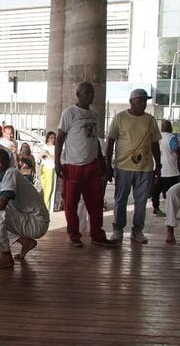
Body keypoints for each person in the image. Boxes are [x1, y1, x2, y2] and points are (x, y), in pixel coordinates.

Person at [55, 82, 114, 248]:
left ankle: (97, 234)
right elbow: (60, 138)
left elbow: (94, 140)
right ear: (78, 94)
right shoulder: (70, 113)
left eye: (92, 92)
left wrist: (102, 164)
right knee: (71, 203)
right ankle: (74, 235)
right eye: (87, 92)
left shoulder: (94, 114)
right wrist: (57, 163)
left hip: (92, 165)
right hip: (73, 165)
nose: (90, 95)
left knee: (95, 202)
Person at [0, 149, 49, 269]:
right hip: (24, 219)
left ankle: (6, 257)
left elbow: (0, 205)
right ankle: (25, 242)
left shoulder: (11, 173)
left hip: (37, 222)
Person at [106, 88, 162, 244]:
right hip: (123, 167)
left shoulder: (150, 120)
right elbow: (110, 142)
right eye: (140, 100)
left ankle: (137, 231)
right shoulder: (119, 118)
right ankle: (118, 229)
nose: (143, 103)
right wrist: (108, 165)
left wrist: (158, 165)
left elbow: (155, 143)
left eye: (145, 100)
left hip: (145, 168)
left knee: (141, 202)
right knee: (120, 200)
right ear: (131, 101)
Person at [151, 120, 180, 217]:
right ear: (170, 127)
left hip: (157, 170)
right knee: (170, 194)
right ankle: (170, 213)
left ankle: (156, 208)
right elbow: (176, 150)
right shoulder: (172, 138)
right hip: (170, 171)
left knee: (155, 191)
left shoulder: (155, 137)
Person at [40, 131, 57, 210]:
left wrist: (48, 154)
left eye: (54, 138)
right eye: (51, 137)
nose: (52, 139)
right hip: (44, 168)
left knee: (49, 189)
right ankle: (43, 206)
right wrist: (42, 155)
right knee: (43, 188)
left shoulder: (55, 147)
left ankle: (47, 207)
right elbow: (40, 156)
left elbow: (56, 158)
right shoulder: (44, 146)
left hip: (51, 168)